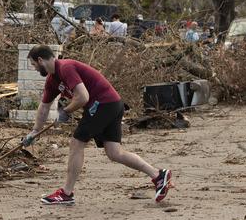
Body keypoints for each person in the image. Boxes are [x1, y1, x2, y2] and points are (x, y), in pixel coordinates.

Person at [21, 45, 173, 205]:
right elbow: (44, 106)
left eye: (33, 65)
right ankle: (158, 175)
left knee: (76, 142)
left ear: (40, 60)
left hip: (104, 103)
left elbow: (83, 97)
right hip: (112, 103)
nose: (34, 68)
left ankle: (66, 193)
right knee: (114, 152)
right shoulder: (52, 80)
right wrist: (35, 131)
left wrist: (66, 111)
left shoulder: (65, 67)